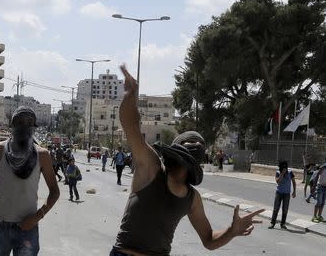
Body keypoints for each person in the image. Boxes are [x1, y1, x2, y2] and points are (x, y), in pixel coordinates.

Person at [110, 65, 264, 256]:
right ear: (177, 148)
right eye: (191, 142)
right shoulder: (151, 167)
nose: (196, 144)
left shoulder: (192, 198)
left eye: (199, 144)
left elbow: (208, 240)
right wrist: (130, 94)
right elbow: (131, 126)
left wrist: (232, 231)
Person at [0, 106, 60, 255]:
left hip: (27, 229)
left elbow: (54, 191)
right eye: (20, 122)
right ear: (12, 125)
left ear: (34, 127)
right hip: (0, 227)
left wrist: (37, 216)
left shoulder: (42, 155)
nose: (24, 126)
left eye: (29, 123)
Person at [268, 160, 296, 229]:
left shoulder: (290, 172)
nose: (284, 169)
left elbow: (294, 182)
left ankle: (282, 224)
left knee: (285, 209)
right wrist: (282, 174)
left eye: (285, 167)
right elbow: (277, 181)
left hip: (287, 194)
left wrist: (294, 191)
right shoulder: (278, 172)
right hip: (279, 193)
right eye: (282, 168)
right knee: (276, 209)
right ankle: (272, 223)